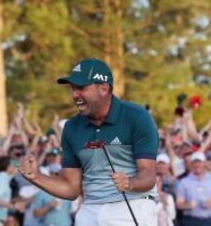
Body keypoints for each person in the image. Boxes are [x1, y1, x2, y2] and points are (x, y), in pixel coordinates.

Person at [19, 58, 159, 226]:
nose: (74, 94)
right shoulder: (71, 127)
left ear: (104, 88)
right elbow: (71, 188)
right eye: (72, 88)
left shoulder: (136, 117)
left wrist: (130, 182)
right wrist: (35, 176)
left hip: (131, 206)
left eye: (81, 88)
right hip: (89, 209)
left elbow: (149, 175)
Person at [176, 152, 211, 226]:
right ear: (191, 164)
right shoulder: (184, 182)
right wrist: (188, 205)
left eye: (200, 162)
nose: (197, 165)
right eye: (195, 162)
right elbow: (179, 204)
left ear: (204, 163)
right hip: (191, 220)